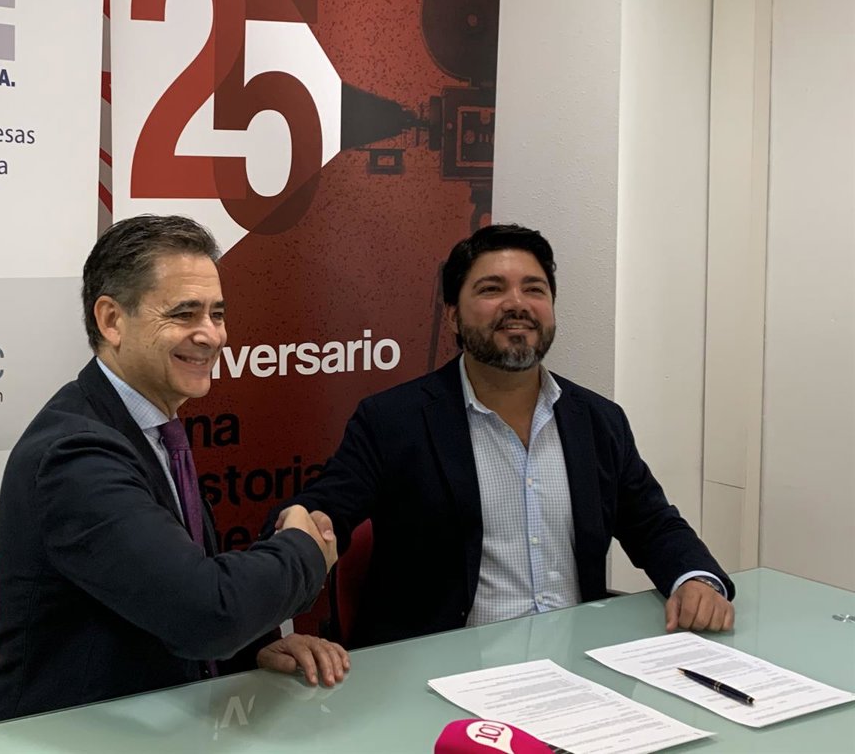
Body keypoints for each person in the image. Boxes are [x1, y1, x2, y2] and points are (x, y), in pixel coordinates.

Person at [268, 223, 735, 649]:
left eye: (534, 289)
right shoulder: (392, 421)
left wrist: (695, 579)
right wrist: (301, 528)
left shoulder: (598, 420)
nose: (517, 304)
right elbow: (323, 513)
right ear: (453, 316)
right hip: (442, 673)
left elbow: (653, 524)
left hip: (577, 665)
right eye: (491, 289)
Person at [0, 215, 348, 721]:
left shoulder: (151, 427)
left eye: (217, 314)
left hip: (162, 718)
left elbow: (169, 591)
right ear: (112, 320)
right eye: (184, 313)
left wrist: (252, 649)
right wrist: (306, 549)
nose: (211, 335)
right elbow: (204, 614)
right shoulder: (75, 457)